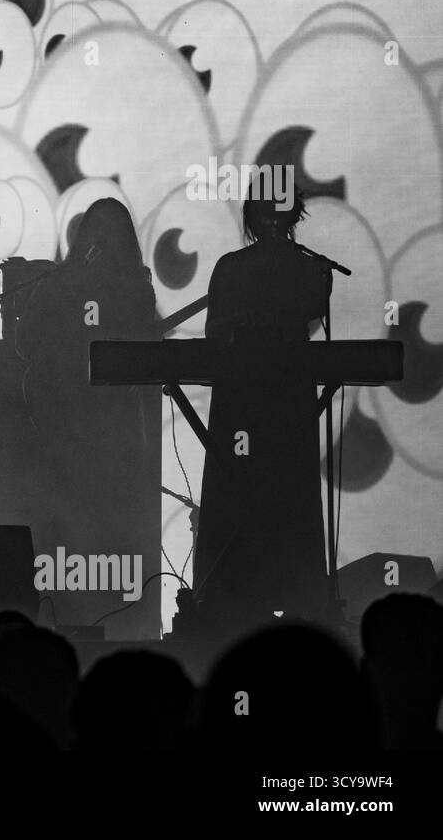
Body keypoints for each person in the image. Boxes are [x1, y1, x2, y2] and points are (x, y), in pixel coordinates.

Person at [10, 198, 162, 637]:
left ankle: (117, 620)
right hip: (61, 425)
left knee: (108, 526)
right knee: (60, 526)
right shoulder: (59, 284)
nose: (102, 240)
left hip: (111, 428)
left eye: (110, 233)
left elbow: (141, 346)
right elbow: (25, 341)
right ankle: (60, 616)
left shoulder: (135, 287)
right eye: (96, 231)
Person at [192, 192, 331, 633]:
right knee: (292, 499)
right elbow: (306, 323)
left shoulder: (231, 267)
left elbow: (216, 334)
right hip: (289, 410)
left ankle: (225, 600)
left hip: (240, 409)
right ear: (294, 217)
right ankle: (299, 600)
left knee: (235, 497)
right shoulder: (308, 269)